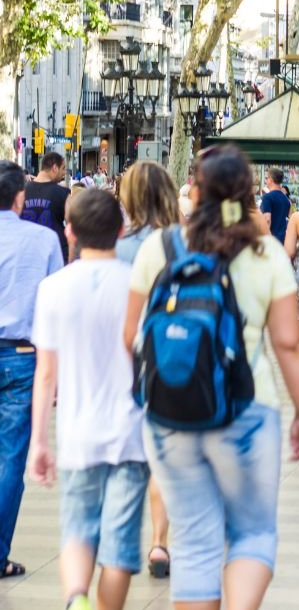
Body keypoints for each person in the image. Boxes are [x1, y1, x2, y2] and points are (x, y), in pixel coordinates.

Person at [123, 146, 299, 610]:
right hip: (247, 409)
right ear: (245, 194)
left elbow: (130, 336)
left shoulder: (160, 247)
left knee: (192, 539)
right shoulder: (264, 251)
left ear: (193, 188)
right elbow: (289, 343)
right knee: (252, 533)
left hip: (171, 413)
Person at [27, 189, 148, 610]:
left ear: (70, 231)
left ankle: (76, 598)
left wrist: (40, 441)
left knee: (77, 530)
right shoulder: (139, 285)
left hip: (78, 435)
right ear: (121, 229)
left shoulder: (53, 288)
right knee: (118, 549)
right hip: (131, 435)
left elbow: (46, 373)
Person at [113, 161, 179, 579]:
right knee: (163, 459)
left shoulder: (115, 246)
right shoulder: (181, 242)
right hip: (172, 361)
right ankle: (160, 542)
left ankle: (117, 543)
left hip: (125, 363)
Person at [0, 160, 64, 581]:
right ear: (20, 198)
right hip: (23, 356)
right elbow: (56, 309)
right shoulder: (44, 241)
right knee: (9, 459)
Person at [21, 151, 70, 263]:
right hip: (56, 254)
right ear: (54, 168)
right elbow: (72, 227)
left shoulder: (21, 191)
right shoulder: (63, 193)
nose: (64, 173)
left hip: (28, 253)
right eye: (63, 168)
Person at [260, 167, 291, 243]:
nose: (266, 180)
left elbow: (267, 220)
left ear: (270, 179)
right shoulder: (286, 200)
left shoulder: (267, 197)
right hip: (283, 240)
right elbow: (290, 218)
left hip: (271, 240)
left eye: (267, 178)